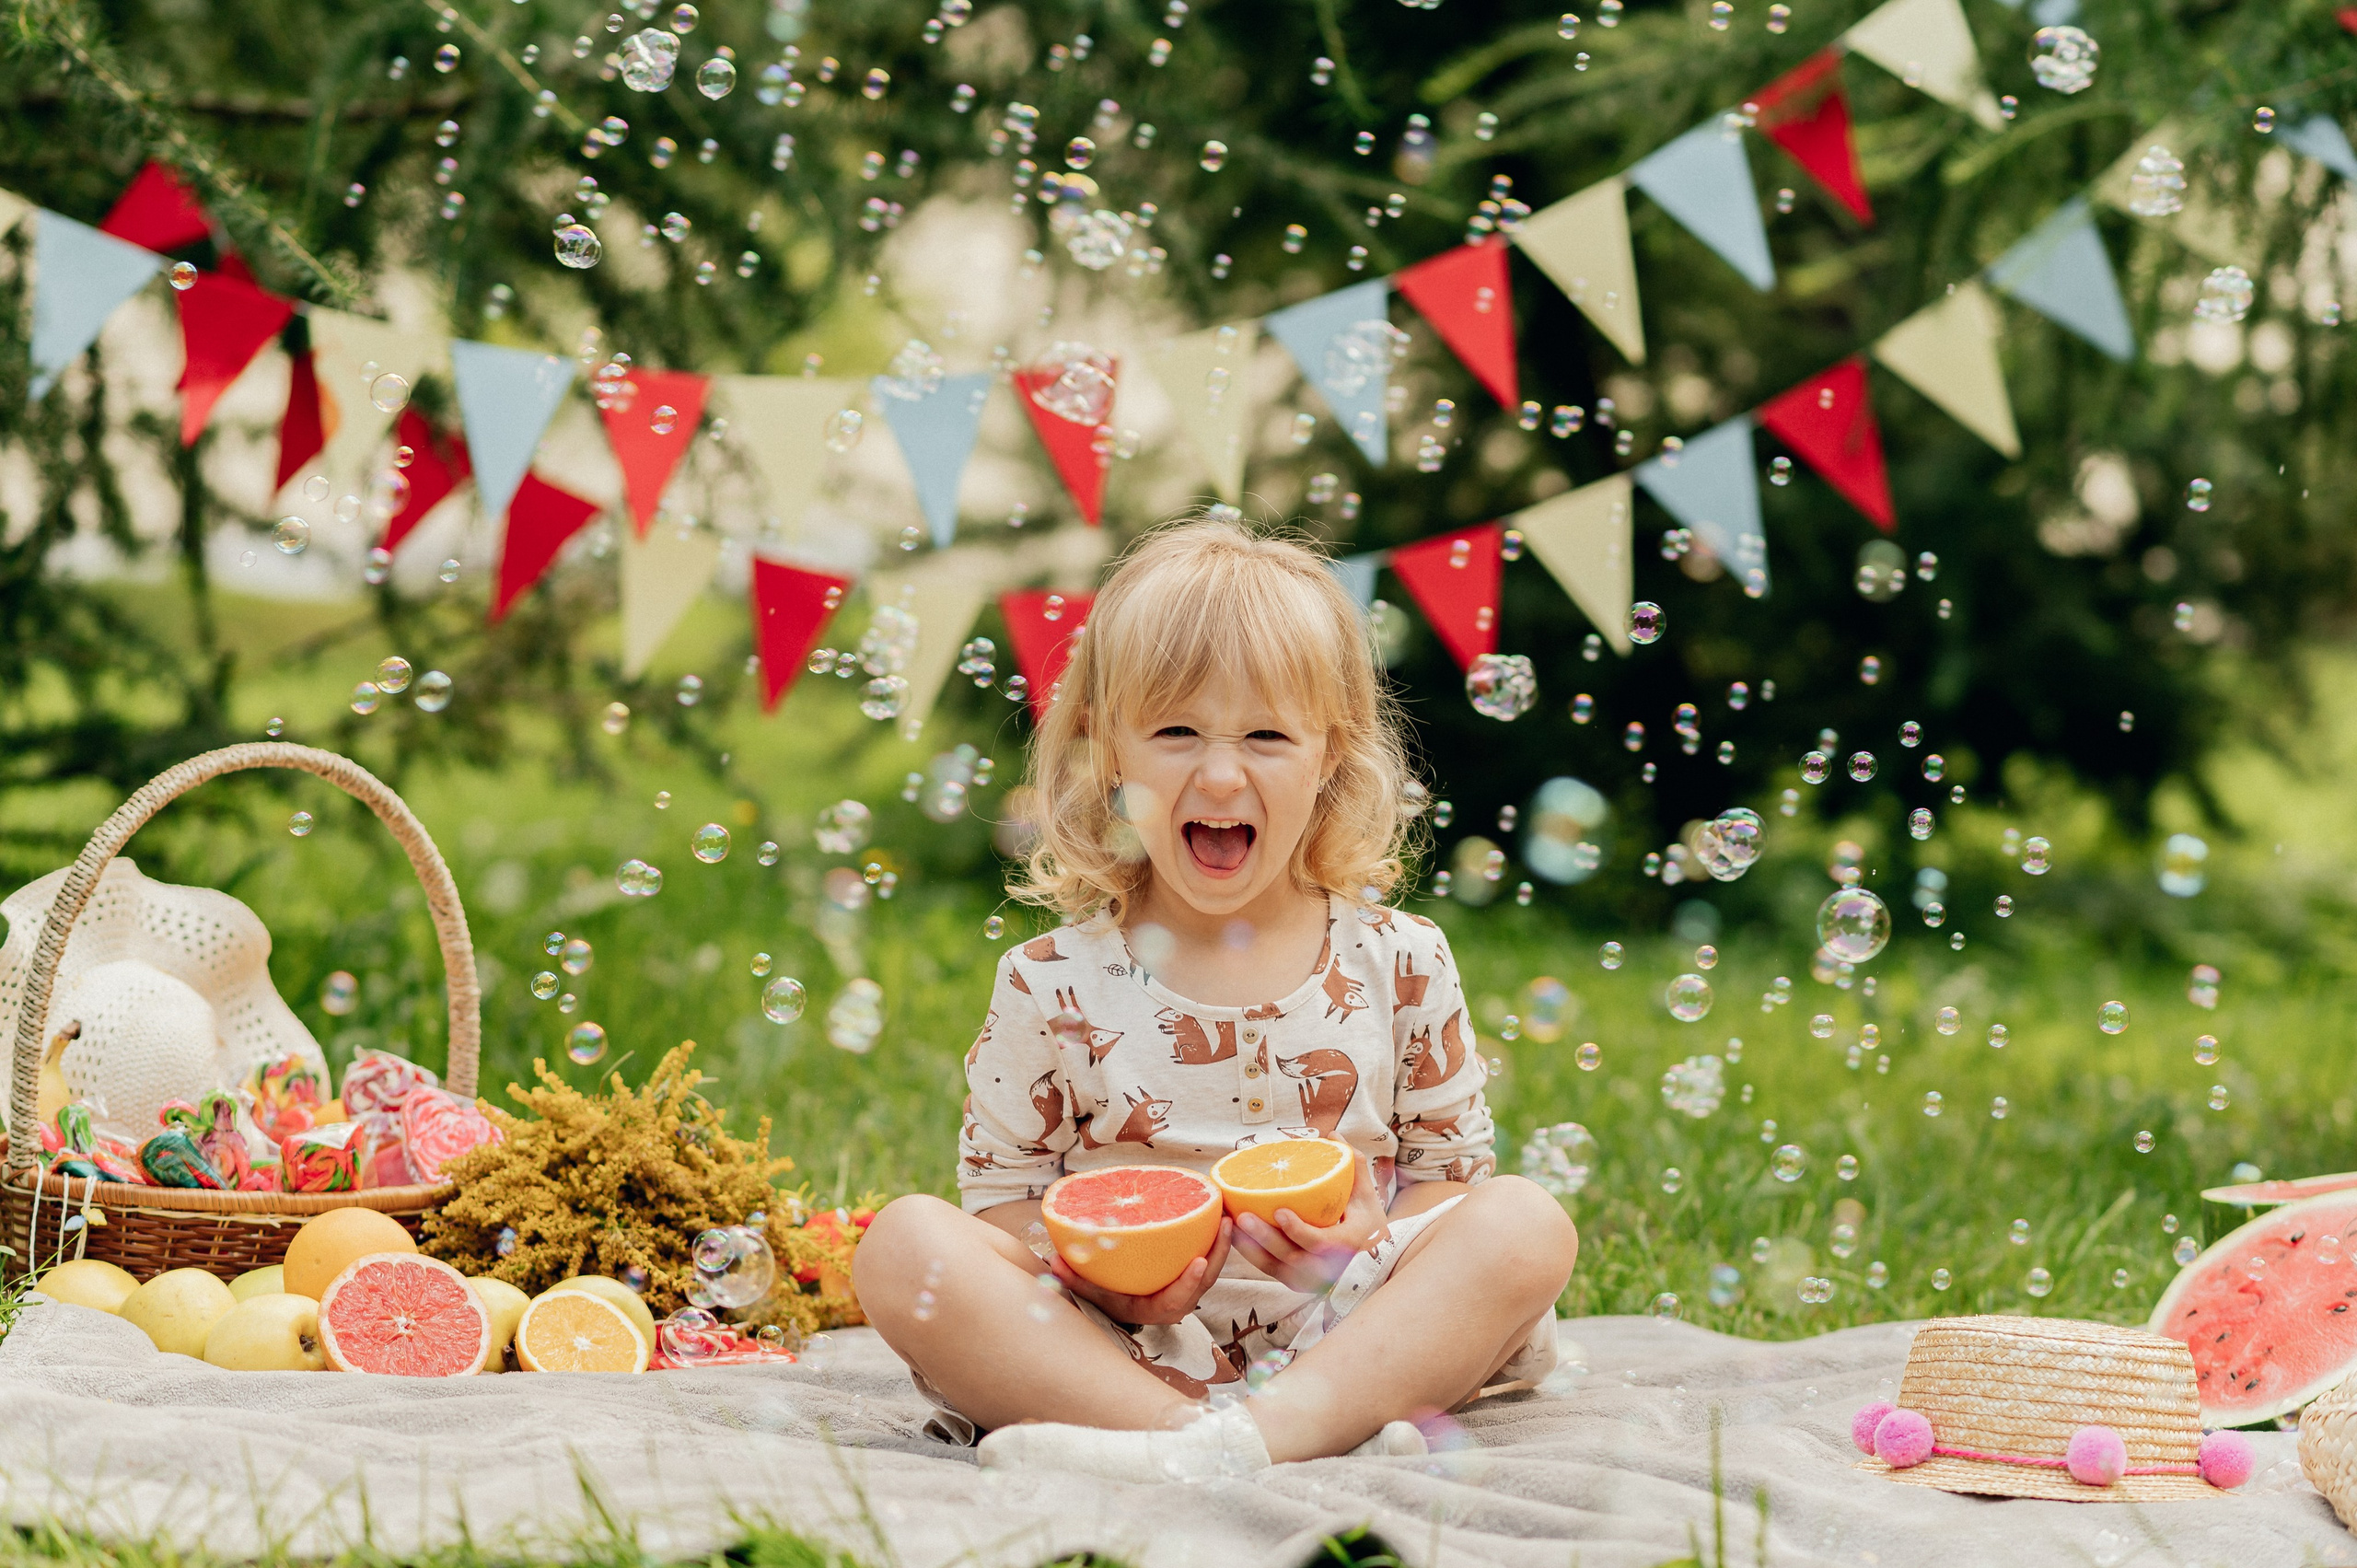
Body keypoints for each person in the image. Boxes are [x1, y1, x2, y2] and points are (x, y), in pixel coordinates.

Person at [853, 517, 1579, 1480]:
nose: (1222, 771)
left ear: (1331, 754)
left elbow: (1451, 1175)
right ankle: (1195, 1434)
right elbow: (1002, 1208)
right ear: (1109, 748)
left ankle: (1244, 1439)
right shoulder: (1049, 979)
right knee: (902, 1243)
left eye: (1267, 734)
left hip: (1358, 1323)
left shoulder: (1398, 958)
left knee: (1526, 1221)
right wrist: (1111, 1280)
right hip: (1116, 1347)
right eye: (1176, 730)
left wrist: (1367, 1240)